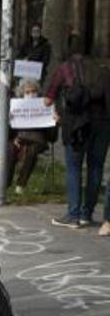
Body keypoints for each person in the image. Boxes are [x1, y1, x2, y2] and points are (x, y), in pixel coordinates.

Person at [44, 50, 110, 230]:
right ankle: (86, 214)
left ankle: (73, 215)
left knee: (74, 168)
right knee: (96, 168)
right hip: (102, 124)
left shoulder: (66, 68)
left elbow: (48, 100)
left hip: (77, 125)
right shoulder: (102, 70)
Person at [0, 79, 53, 196]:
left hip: (37, 141)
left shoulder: (44, 106)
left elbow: (52, 136)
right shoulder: (17, 106)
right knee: (10, 148)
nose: (31, 95)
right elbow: (9, 133)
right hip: (19, 138)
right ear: (22, 94)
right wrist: (9, 120)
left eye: (34, 91)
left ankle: (21, 185)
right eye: (27, 92)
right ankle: (5, 183)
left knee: (31, 151)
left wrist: (53, 120)